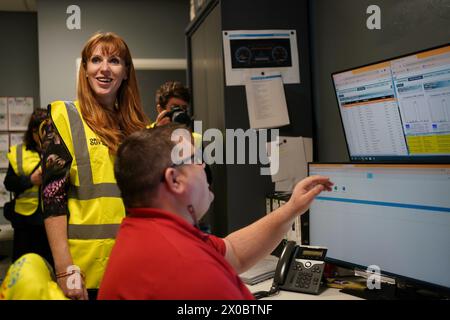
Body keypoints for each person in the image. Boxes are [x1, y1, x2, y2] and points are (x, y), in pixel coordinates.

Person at [98, 124, 333, 299]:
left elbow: (234, 253)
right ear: (175, 180)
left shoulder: (146, 233)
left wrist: (291, 208)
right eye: (196, 160)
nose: (203, 167)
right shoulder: (189, 269)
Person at [40, 32, 150, 300]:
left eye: (114, 60)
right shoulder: (64, 118)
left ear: (125, 72)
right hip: (85, 271)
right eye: (96, 60)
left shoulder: (140, 129)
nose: (104, 68)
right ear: (85, 70)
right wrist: (65, 270)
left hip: (135, 263)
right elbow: (52, 198)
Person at [3, 108, 53, 266]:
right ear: (33, 131)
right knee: (22, 265)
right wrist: (30, 180)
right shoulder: (19, 152)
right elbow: (9, 183)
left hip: (50, 219)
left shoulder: (56, 151)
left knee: (49, 266)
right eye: (43, 131)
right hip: (25, 221)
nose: (47, 135)